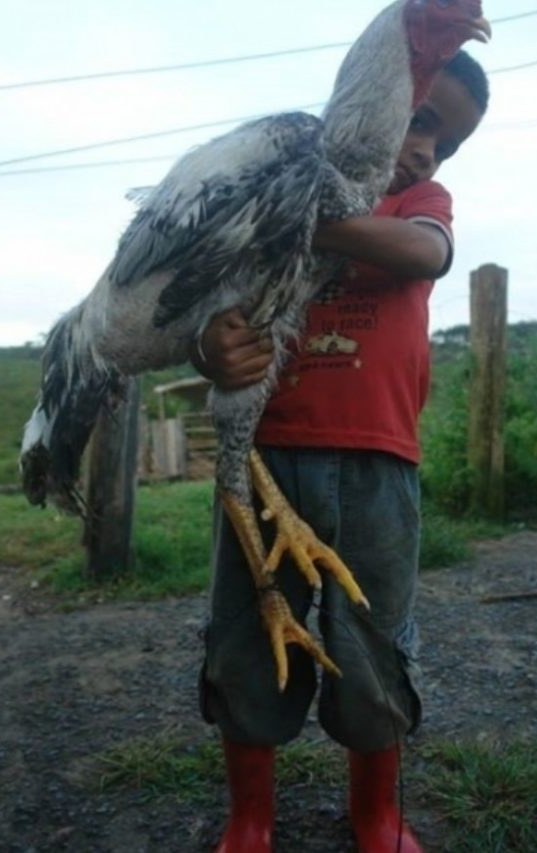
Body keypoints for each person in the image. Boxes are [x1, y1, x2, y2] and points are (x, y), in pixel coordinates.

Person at [193, 50, 489, 853]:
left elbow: (428, 252)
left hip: (378, 464)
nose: (429, 149)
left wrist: (301, 218)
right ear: (377, 100)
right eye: (423, 121)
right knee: (247, 635)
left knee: (373, 639)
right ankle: (250, 818)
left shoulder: (417, 200)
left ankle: (376, 813)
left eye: (449, 142)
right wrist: (211, 349)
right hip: (262, 460)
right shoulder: (260, 208)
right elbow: (217, 319)